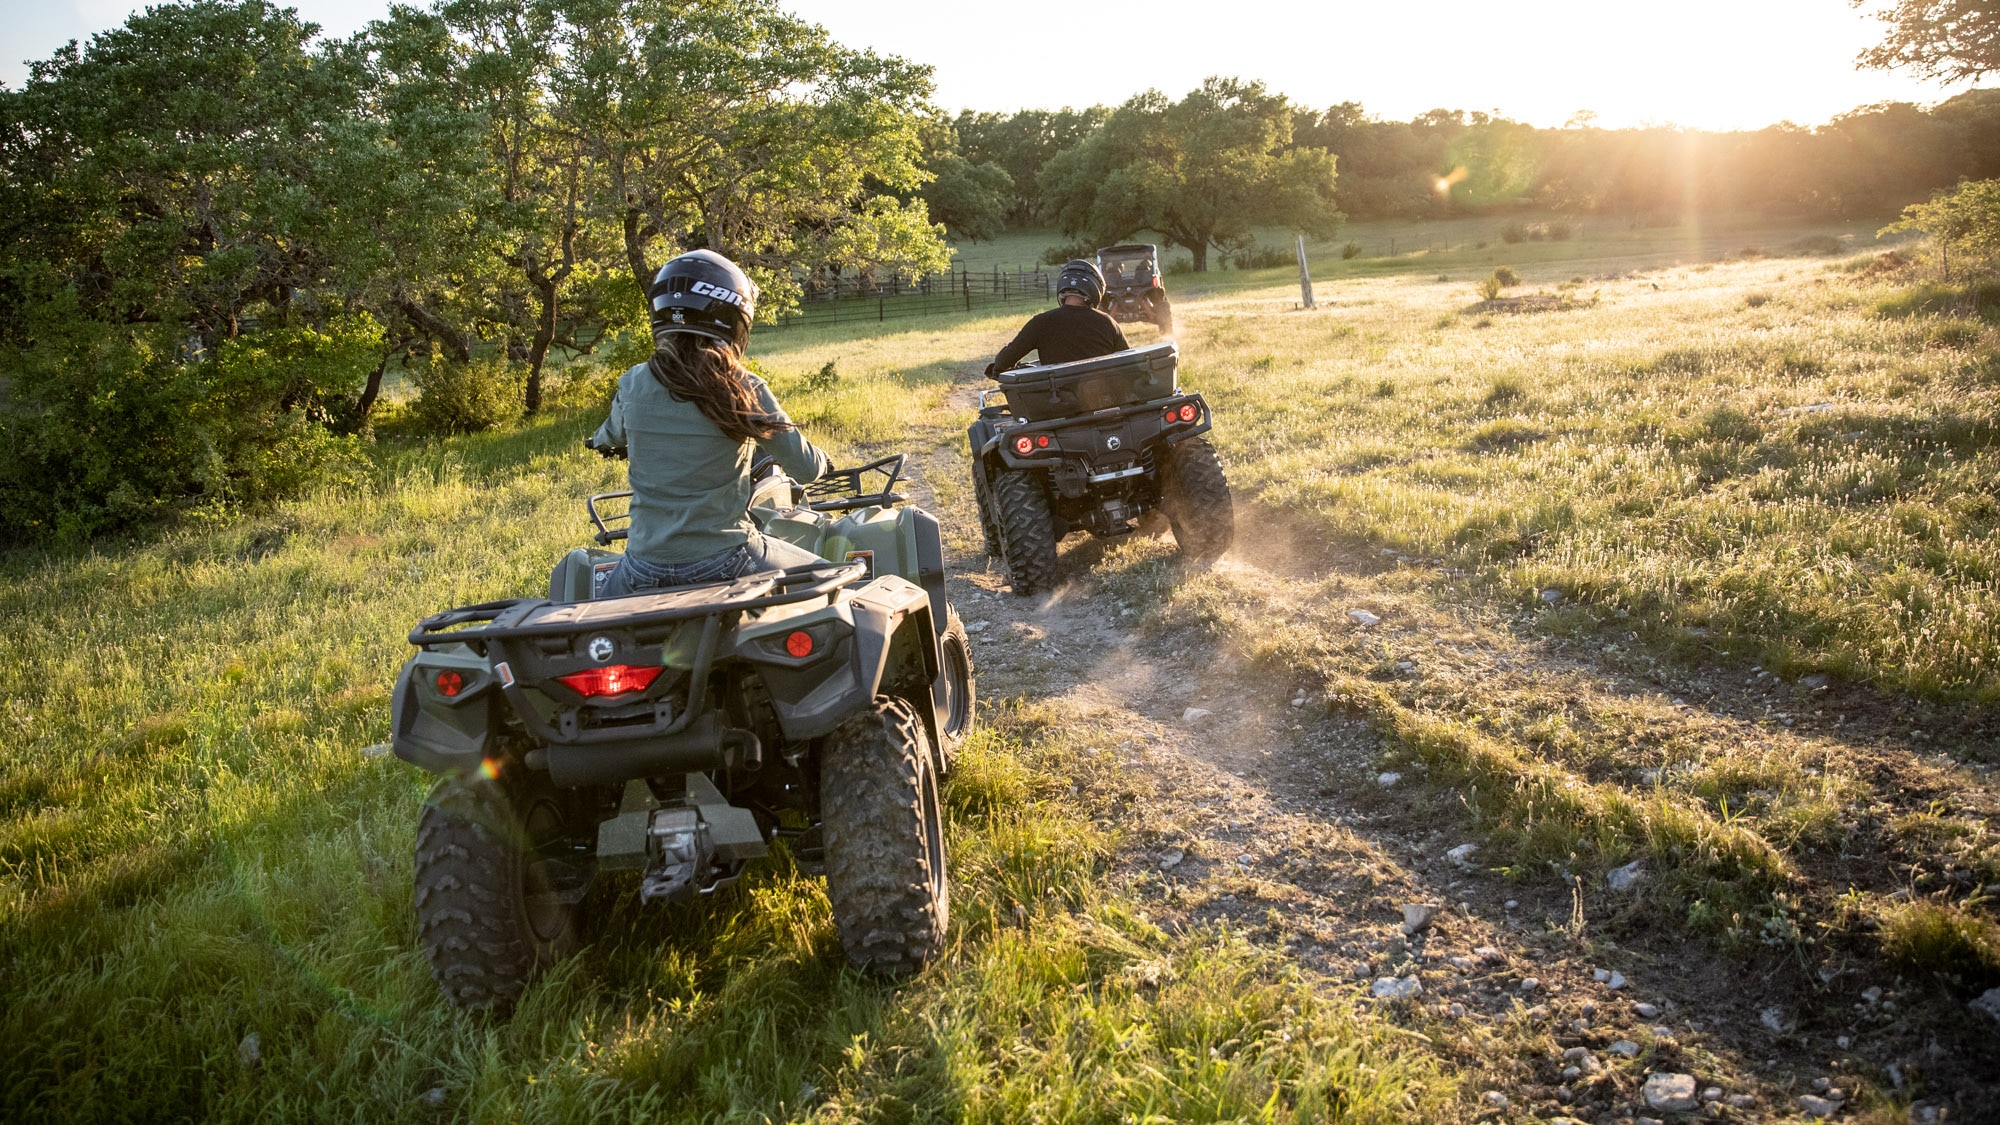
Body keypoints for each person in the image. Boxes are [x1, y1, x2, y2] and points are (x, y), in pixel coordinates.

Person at [588, 249, 831, 596]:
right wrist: (823, 462)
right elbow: (805, 468)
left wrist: (599, 441)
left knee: (596, 623)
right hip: (725, 558)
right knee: (831, 578)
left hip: (642, 566)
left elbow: (610, 433)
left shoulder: (632, 383)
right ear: (734, 316)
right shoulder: (743, 388)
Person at [986, 258, 1129, 376]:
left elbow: (1003, 362)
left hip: (1055, 403)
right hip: (1102, 401)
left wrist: (999, 369)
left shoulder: (1041, 322)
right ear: (1096, 289)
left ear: (1063, 286)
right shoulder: (1108, 323)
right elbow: (1130, 362)